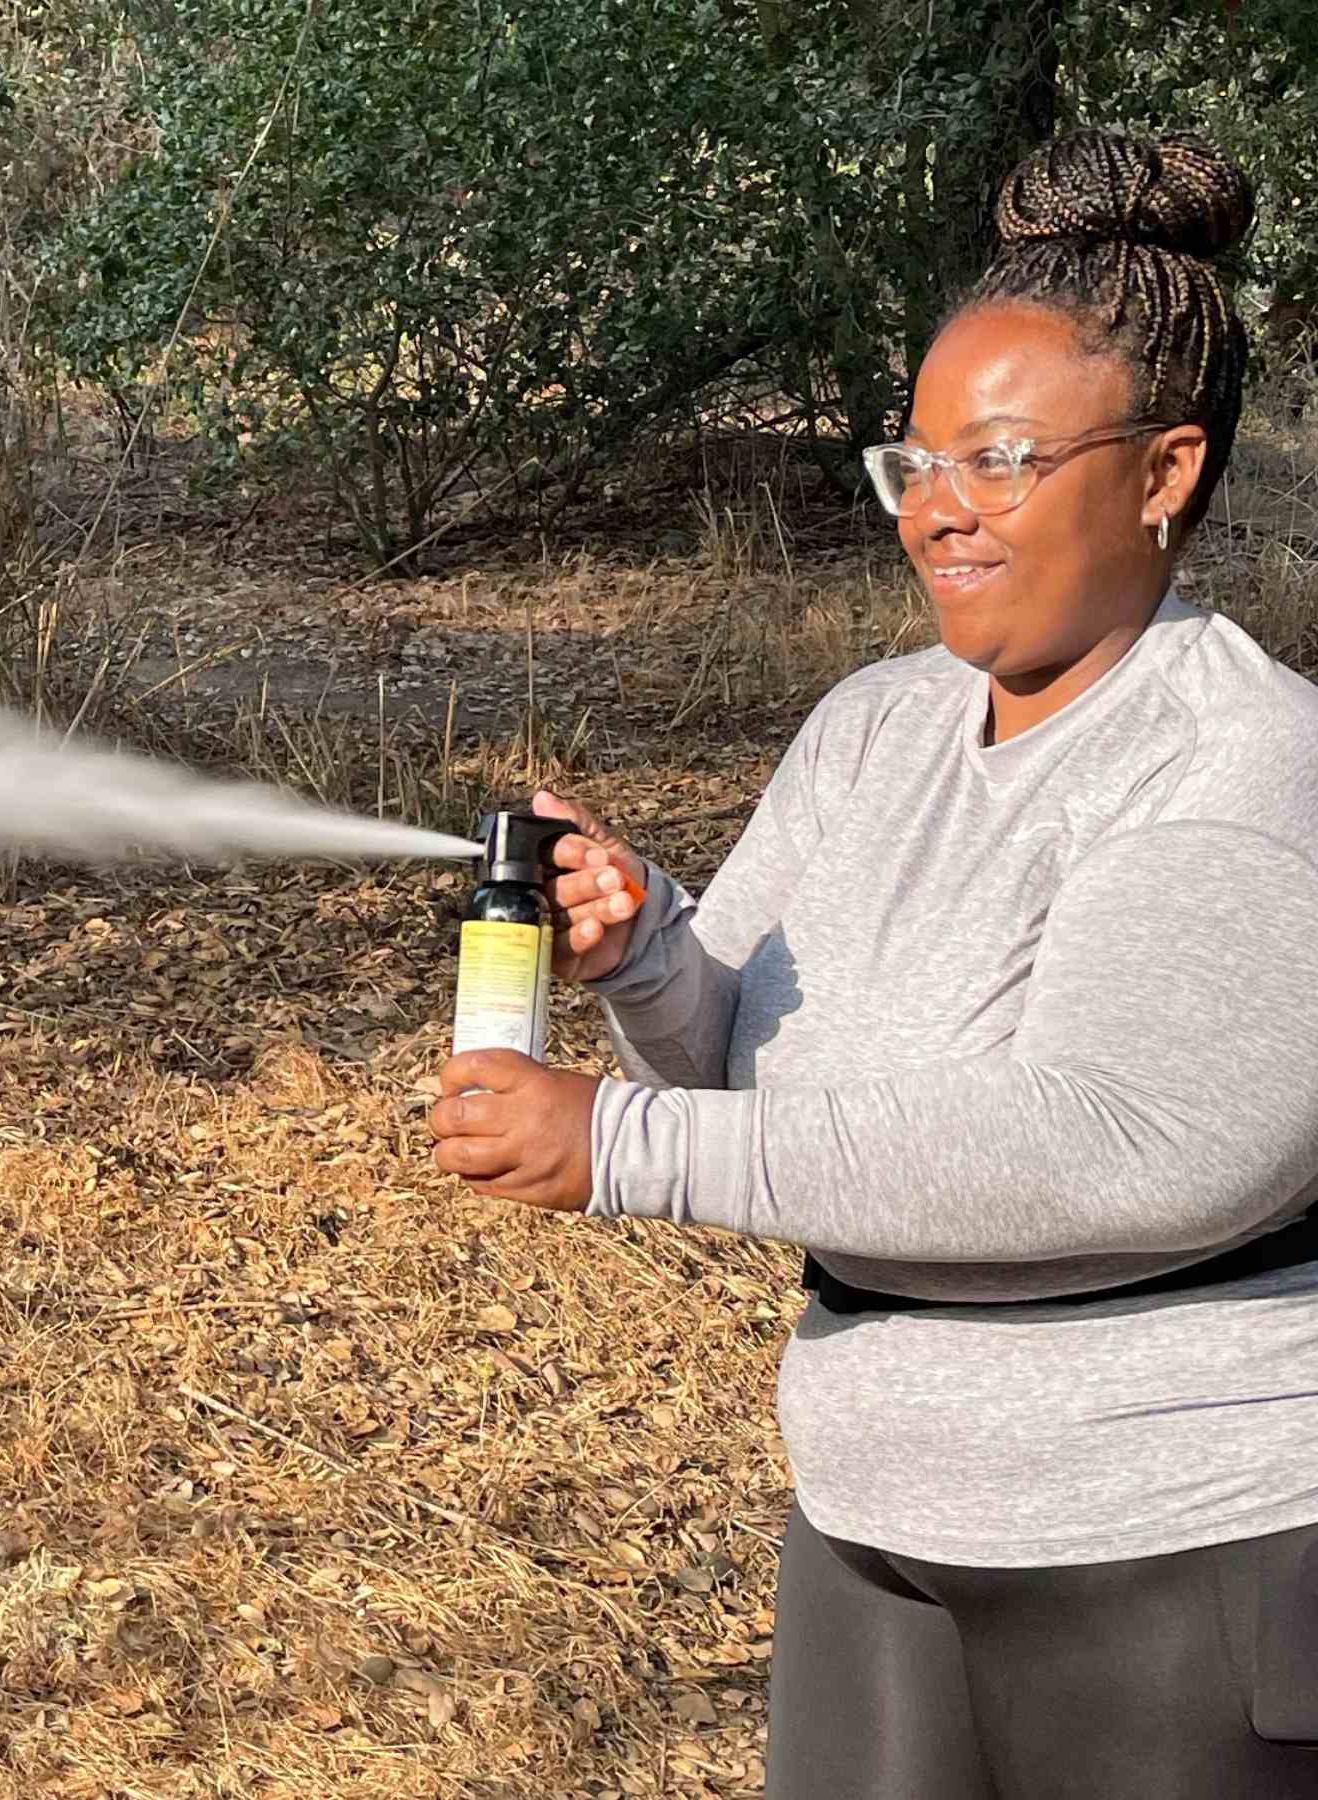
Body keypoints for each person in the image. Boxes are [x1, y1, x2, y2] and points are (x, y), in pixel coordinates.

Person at [429, 128, 1318, 1798]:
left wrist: (614, 1146)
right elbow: (752, 1062)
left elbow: (1120, 1144)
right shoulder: (873, 728)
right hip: (869, 1536)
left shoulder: (1240, 763)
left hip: (1172, 1551)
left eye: (997, 465)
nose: (940, 517)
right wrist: (649, 965)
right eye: (912, 468)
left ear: (1166, 469)